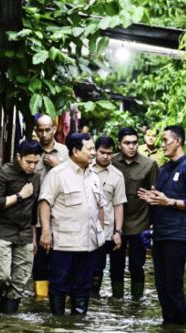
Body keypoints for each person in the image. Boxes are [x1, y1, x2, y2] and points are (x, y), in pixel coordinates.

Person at [138, 125, 186, 325]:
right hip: (160, 234)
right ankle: (168, 329)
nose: (162, 145)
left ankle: (182, 329)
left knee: (174, 285)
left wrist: (171, 202)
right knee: (161, 285)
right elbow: (161, 199)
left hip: (178, 236)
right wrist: (152, 199)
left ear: (178, 141)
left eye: (166, 140)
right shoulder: (164, 169)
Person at [38, 133, 105, 315]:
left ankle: (77, 327)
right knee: (59, 286)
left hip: (89, 244)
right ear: (75, 151)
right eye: (89, 149)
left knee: (83, 288)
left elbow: (99, 208)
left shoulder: (94, 177)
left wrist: (102, 234)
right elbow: (44, 202)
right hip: (64, 243)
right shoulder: (58, 174)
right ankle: (57, 326)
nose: (93, 153)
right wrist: (45, 231)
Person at [0, 140, 42, 313]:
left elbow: (33, 209)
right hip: (1, 231)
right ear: (19, 157)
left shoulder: (36, 177)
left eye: (36, 163)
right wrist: (20, 195)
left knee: (20, 281)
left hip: (24, 233)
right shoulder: (3, 174)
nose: (32, 166)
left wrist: (34, 237)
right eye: (28, 162)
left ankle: (9, 320)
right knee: (0, 277)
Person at [111, 127, 158, 300]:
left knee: (137, 265)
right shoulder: (111, 162)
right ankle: (116, 300)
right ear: (119, 144)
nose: (131, 147)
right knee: (116, 265)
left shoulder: (149, 164)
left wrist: (153, 224)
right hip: (116, 224)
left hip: (140, 222)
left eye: (134, 143)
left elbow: (155, 195)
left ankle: (136, 302)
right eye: (127, 143)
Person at [32, 114, 69, 298]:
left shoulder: (65, 152)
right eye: (41, 130)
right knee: (39, 262)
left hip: (61, 218)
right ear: (36, 130)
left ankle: (56, 300)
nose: (44, 134)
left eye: (48, 129)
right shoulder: (31, 151)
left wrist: (58, 165)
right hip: (36, 218)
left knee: (60, 262)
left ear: (54, 129)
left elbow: (74, 179)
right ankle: (40, 300)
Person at [91, 136, 127, 297]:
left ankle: (94, 300)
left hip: (103, 231)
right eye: (102, 152)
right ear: (95, 151)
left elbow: (118, 205)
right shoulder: (85, 168)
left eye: (109, 153)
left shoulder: (117, 176)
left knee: (98, 268)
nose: (105, 156)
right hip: (81, 228)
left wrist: (118, 231)